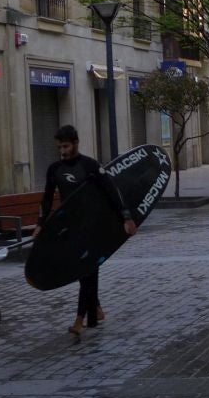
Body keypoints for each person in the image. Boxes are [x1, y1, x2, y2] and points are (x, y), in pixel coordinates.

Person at [37, 125, 136, 339]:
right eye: (59, 147)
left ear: (75, 143)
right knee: (85, 271)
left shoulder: (90, 166)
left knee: (86, 271)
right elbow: (46, 199)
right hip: (71, 229)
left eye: (65, 146)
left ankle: (79, 320)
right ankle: (96, 308)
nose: (62, 151)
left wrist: (126, 218)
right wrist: (39, 224)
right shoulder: (54, 169)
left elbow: (112, 191)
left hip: (92, 226)